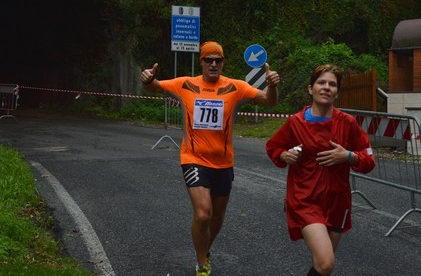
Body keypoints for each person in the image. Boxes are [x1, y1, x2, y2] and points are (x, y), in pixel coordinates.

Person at [140, 41, 280, 276]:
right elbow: (154, 87)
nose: (214, 64)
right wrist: (147, 79)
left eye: (218, 60)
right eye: (209, 60)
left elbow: (269, 101)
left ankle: (205, 249)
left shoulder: (236, 87)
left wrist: (272, 86)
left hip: (224, 162)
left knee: (217, 218)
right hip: (193, 158)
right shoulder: (186, 84)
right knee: (203, 213)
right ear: (202, 62)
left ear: (223, 62)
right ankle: (201, 262)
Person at [265, 64, 375, 276]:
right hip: (304, 199)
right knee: (325, 263)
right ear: (310, 89)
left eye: (332, 84)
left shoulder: (348, 123)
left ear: (337, 93)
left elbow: (368, 160)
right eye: (321, 83)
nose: (326, 87)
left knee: (322, 266)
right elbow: (273, 147)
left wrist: (349, 156)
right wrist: (284, 155)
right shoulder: (295, 123)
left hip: (336, 202)